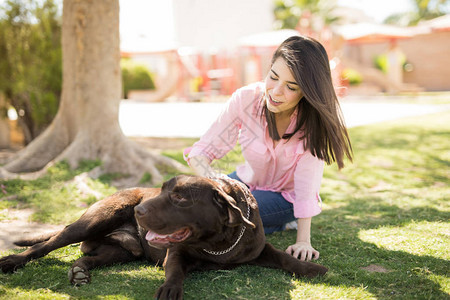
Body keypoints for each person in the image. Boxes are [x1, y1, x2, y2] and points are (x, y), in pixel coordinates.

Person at [184, 36, 353, 262]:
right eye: (273, 77)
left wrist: (303, 240)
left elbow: (306, 187)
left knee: (227, 217)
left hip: (284, 198)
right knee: (196, 203)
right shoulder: (247, 99)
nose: (275, 92)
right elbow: (203, 150)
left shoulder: (312, 126)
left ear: (307, 91)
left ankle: (279, 221)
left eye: (291, 87)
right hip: (245, 181)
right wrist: (216, 185)